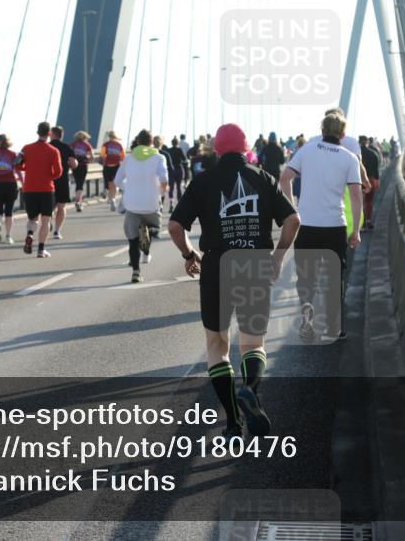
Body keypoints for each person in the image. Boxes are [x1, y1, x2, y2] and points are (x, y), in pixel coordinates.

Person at [169, 123, 300, 443]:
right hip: (255, 263)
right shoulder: (264, 178)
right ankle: (250, 390)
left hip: (216, 265)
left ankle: (231, 425)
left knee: (217, 346)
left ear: (216, 149)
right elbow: (293, 219)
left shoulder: (202, 181)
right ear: (245, 149)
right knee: (253, 344)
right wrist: (279, 255)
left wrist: (189, 254)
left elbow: (175, 225)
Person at [279, 113, 362, 342]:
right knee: (335, 278)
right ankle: (334, 328)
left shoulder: (307, 150)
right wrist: (355, 230)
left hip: (306, 225)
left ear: (322, 130)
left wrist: (292, 210)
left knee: (306, 277)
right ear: (343, 134)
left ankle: (307, 313)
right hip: (335, 226)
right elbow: (355, 195)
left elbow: (285, 178)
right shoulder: (349, 158)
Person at [114, 129, 168, 283]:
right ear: (152, 142)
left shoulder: (129, 158)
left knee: (132, 240)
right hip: (151, 203)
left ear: (137, 142)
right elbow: (164, 178)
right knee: (152, 229)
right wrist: (160, 193)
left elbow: (117, 181)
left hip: (132, 204)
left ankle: (136, 272)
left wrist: (128, 188)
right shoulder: (159, 157)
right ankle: (147, 242)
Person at [16, 121, 63, 258]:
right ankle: (41, 250)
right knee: (46, 220)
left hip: (29, 188)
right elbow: (59, 172)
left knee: (32, 219)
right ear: (49, 134)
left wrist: (28, 168)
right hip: (46, 189)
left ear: (37, 132)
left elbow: (16, 164)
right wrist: (49, 176)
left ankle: (30, 234)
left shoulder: (26, 148)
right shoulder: (54, 151)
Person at [0, 134, 21, 244]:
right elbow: (18, 170)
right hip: (10, 184)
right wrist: (23, 182)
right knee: (9, 211)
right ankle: (8, 236)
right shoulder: (13, 154)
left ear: (0, 142)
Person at [49, 125, 78, 240]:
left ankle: (48, 220)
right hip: (63, 180)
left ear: (51, 134)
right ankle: (56, 231)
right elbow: (73, 164)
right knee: (62, 206)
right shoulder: (67, 147)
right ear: (62, 135)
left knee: (49, 206)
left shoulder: (47, 146)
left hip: (49, 180)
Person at [359, 136, 381, 230]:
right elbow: (376, 169)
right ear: (367, 142)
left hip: (358, 180)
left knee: (360, 201)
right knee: (369, 201)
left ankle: (362, 222)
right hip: (370, 179)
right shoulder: (373, 154)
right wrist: (376, 181)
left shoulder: (355, 154)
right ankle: (368, 220)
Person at [100, 131, 126, 211]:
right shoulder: (119, 145)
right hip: (116, 166)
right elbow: (122, 157)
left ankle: (105, 190)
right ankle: (113, 200)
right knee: (114, 185)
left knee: (108, 182)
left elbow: (102, 155)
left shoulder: (105, 145)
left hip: (107, 165)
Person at [71, 131, 94, 211]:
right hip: (83, 165)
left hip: (75, 165)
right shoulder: (87, 145)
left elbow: (70, 154)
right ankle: (78, 201)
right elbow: (92, 156)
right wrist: (89, 160)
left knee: (77, 182)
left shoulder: (73, 144)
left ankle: (78, 200)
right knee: (80, 183)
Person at [164, 137, 187, 212]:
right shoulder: (179, 149)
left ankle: (171, 204)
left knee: (171, 187)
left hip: (171, 170)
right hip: (179, 169)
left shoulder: (168, 150)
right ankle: (179, 206)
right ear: (177, 143)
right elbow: (184, 159)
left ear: (171, 143)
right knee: (179, 187)